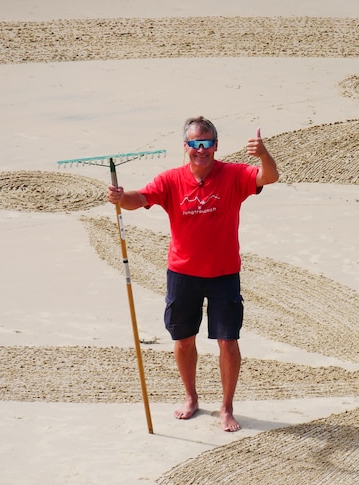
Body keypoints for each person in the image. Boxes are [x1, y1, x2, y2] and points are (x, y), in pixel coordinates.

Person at [106, 116, 279, 432]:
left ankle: (226, 408)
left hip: (224, 274)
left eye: (208, 142)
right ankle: (191, 397)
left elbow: (268, 177)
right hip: (183, 274)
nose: (202, 149)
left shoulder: (234, 174)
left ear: (215, 145)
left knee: (228, 342)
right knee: (184, 340)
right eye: (195, 143)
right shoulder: (170, 180)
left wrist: (263, 155)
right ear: (186, 146)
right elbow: (139, 199)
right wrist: (121, 197)